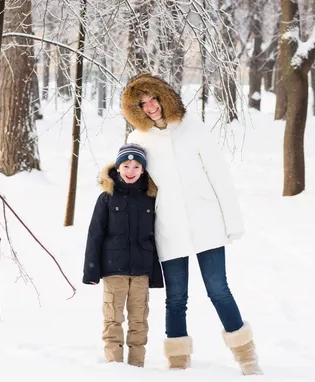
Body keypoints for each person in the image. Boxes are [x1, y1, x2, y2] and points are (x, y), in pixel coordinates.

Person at [120, 72, 262, 375]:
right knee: (176, 297)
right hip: (168, 227)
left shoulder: (192, 128)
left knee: (218, 289)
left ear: (163, 96)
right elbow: (134, 183)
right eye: (142, 103)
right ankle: (178, 360)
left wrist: (232, 221)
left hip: (205, 221)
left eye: (153, 98)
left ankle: (246, 356)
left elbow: (219, 176)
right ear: (137, 109)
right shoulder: (137, 139)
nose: (151, 106)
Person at [82, 143, 164, 368]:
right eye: (126, 165)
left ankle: (137, 367)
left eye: (136, 166)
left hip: (141, 271)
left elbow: (157, 237)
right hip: (113, 269)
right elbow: (95, 234)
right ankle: (114, 367)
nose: (131, 170)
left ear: (143, 170)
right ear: (117, 168)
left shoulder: (151, 198)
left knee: (139, 321)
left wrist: (155, 274)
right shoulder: (107, 198)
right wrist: (92, 270)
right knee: (113, 319)